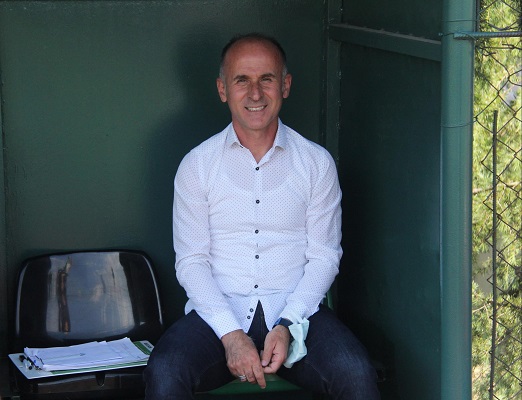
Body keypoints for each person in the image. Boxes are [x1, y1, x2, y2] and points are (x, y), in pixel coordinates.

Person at [144, 33, 380, 400]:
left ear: (285, 85)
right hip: (218, 315)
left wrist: (287, 325)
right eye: (242, 80)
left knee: (355, 372)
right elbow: (191, 262)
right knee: (165, 370)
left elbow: (324, 257)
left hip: (299, 315)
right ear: (223, 89)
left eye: (266, 79)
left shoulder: (316, 163)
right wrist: (231, 335)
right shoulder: (197, 165)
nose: (255, 93)